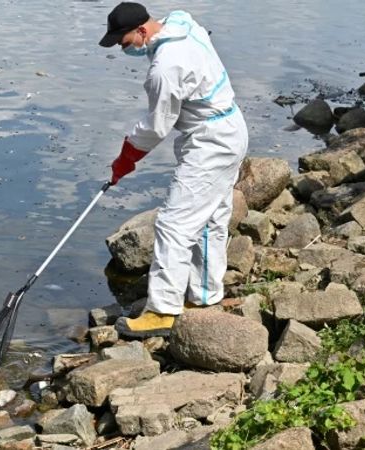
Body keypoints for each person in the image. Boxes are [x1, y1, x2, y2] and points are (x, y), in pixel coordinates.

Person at [99, 2, 248, 338]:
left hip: (210, 143)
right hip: (231, 128)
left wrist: (124, 160)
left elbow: (156, 128)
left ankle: (162, 310)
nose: (124, 49)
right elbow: (179, 15)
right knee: (211, 220)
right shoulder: (181, 23)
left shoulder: (166, 67)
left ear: (141, 31)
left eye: (124, 42)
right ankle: (204, 296)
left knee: (173, 224)